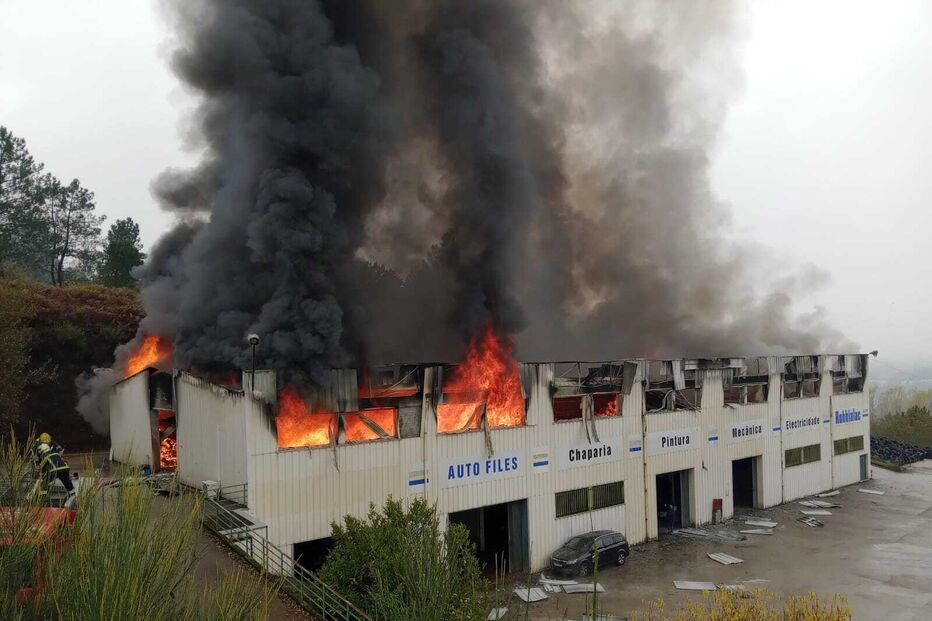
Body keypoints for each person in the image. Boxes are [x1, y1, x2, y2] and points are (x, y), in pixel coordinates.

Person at [34, 432, 75, 505]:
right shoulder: (54, 449)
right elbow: (60, 450)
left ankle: (43, 500)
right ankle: (73, 495)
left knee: (44, 484)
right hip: (64, 468)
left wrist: (38, 470)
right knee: (66, 481)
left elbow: (41, 461)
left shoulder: (40, 447)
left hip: (54, 469)